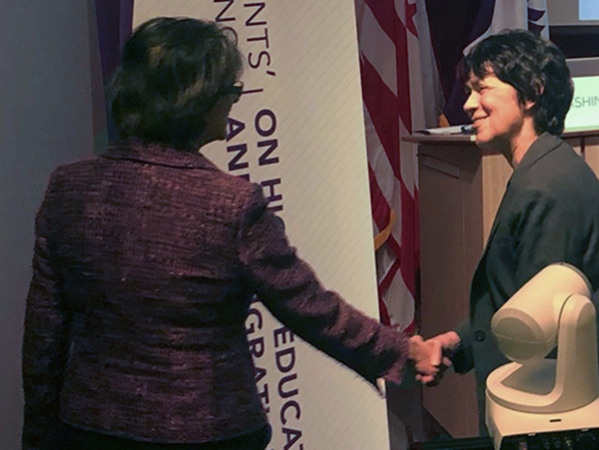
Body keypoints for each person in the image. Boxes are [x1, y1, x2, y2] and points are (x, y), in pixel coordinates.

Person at [21, 17, 441, 450]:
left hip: (89, 430)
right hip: (207, 432)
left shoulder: (67, 188)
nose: (234, 103)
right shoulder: (230, 205)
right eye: (231, 91)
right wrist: (404, 351)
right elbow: (311, 310)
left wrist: (36, 437)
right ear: (197, 101)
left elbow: (43, 336)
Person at [430, 29, 599, 435]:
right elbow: (515, 296)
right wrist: (457, 341)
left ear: (531, 94)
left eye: (482, 88)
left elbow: (537, 335)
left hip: (568, 413)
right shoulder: (544, 170)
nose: (468, 104)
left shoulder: (546, 187)